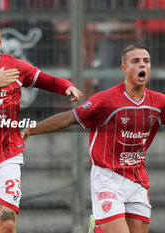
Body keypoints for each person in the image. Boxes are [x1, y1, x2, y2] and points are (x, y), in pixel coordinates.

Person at [0, 19, 83, 233]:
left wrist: (67, 86)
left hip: (5, 159)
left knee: (7, 225)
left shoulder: (13, 66)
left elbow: (46, 80)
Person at [22, 44, 165, 233]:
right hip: (108, 177)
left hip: (138, 178)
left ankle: (97, 228)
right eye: (136, 61)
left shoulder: (159, 102)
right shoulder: (106, 100)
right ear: (124, 68)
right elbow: (68, 118)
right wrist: (31, 130)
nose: (142, 65)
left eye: (146, 61)